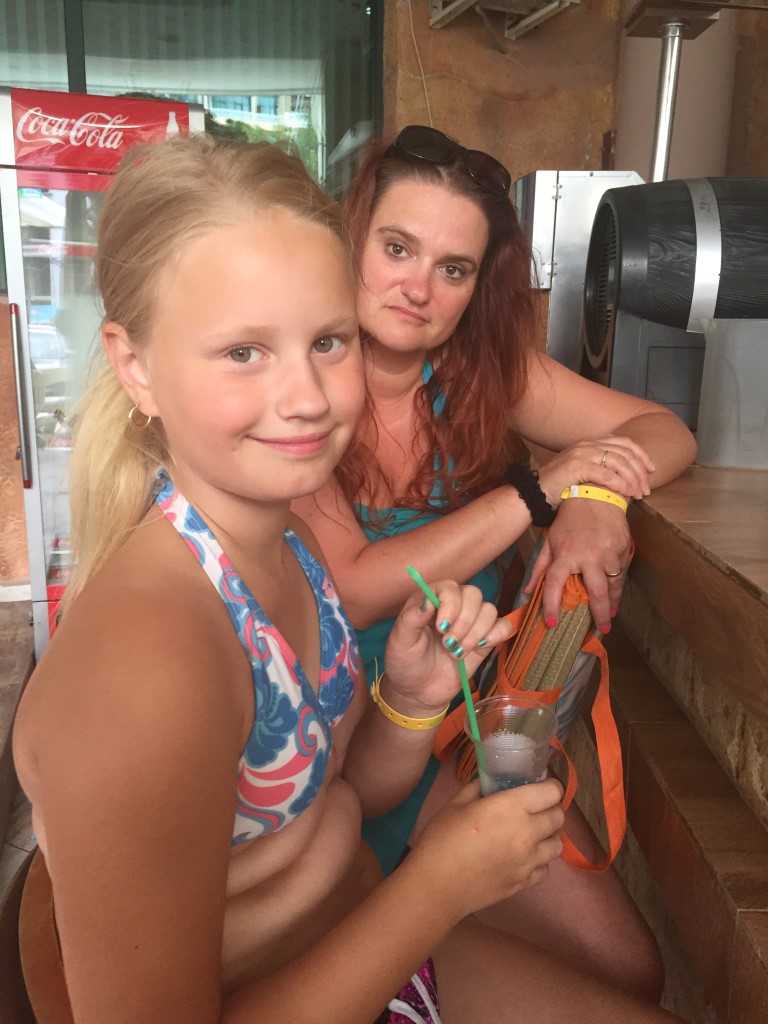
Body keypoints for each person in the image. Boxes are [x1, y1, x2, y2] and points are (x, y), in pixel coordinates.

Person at [11, 135, 687, 1024]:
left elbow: (335, 799)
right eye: (244, 352)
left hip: (358, 940)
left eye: (328, 342)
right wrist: (442, 882)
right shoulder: (144, 665)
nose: (308, 397)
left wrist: (407, 701)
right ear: (136, 367)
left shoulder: (287, 547)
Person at [293, 124, 698, 996]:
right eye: (397, 248)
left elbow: (665, 430)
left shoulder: (483, 373)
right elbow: (357, 587)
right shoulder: (305, 380)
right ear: (352, 238)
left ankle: (429, 954)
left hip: (456, 737)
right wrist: (538, 491)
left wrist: (595, 499)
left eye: (454, 268)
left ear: (478, 286)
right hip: (341, 757)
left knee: (631, 969)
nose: (419, 288)